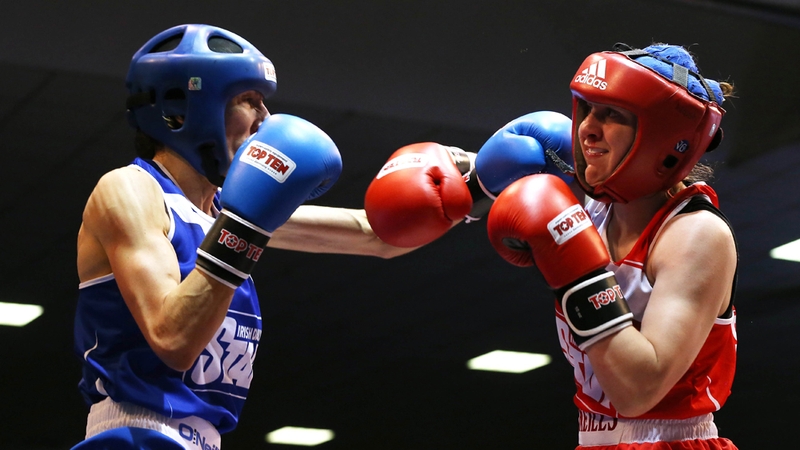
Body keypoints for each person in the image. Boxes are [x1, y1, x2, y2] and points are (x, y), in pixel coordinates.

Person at [72, 24, 414, 450]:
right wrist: (244, 227)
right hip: (134, 436)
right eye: (248, 100)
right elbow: (172, 339)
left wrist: (481, 186)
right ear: (186, 108)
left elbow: (377, 237)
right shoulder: (130, 190)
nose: (266, 118)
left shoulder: (226, 214)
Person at [482, 43, 739, 449]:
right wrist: (463, 182)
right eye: (586, 108)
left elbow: (639, 389)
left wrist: (573, 266)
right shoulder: (594, 212)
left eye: (613, 114)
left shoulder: (696, 235)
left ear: (662, 137)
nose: (587, 127)